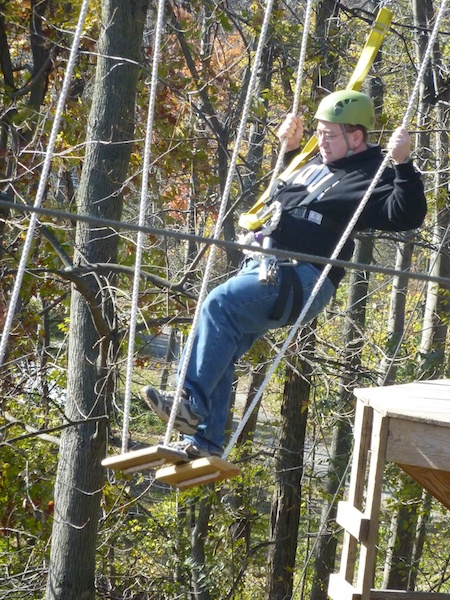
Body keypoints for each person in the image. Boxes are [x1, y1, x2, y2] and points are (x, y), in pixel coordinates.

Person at [141, 90, 427, 458]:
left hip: (302, 275)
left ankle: (189, 403)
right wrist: (291, 150)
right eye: (318, 133)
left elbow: (406, 214)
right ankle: (205, 443)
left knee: (218, 306)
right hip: (265, 264)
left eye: (329, 135)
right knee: (219, 339)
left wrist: (404, 164)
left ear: (356, 137)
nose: (321, 141)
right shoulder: (313, 161)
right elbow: (291, 197)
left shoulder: (373, 173)